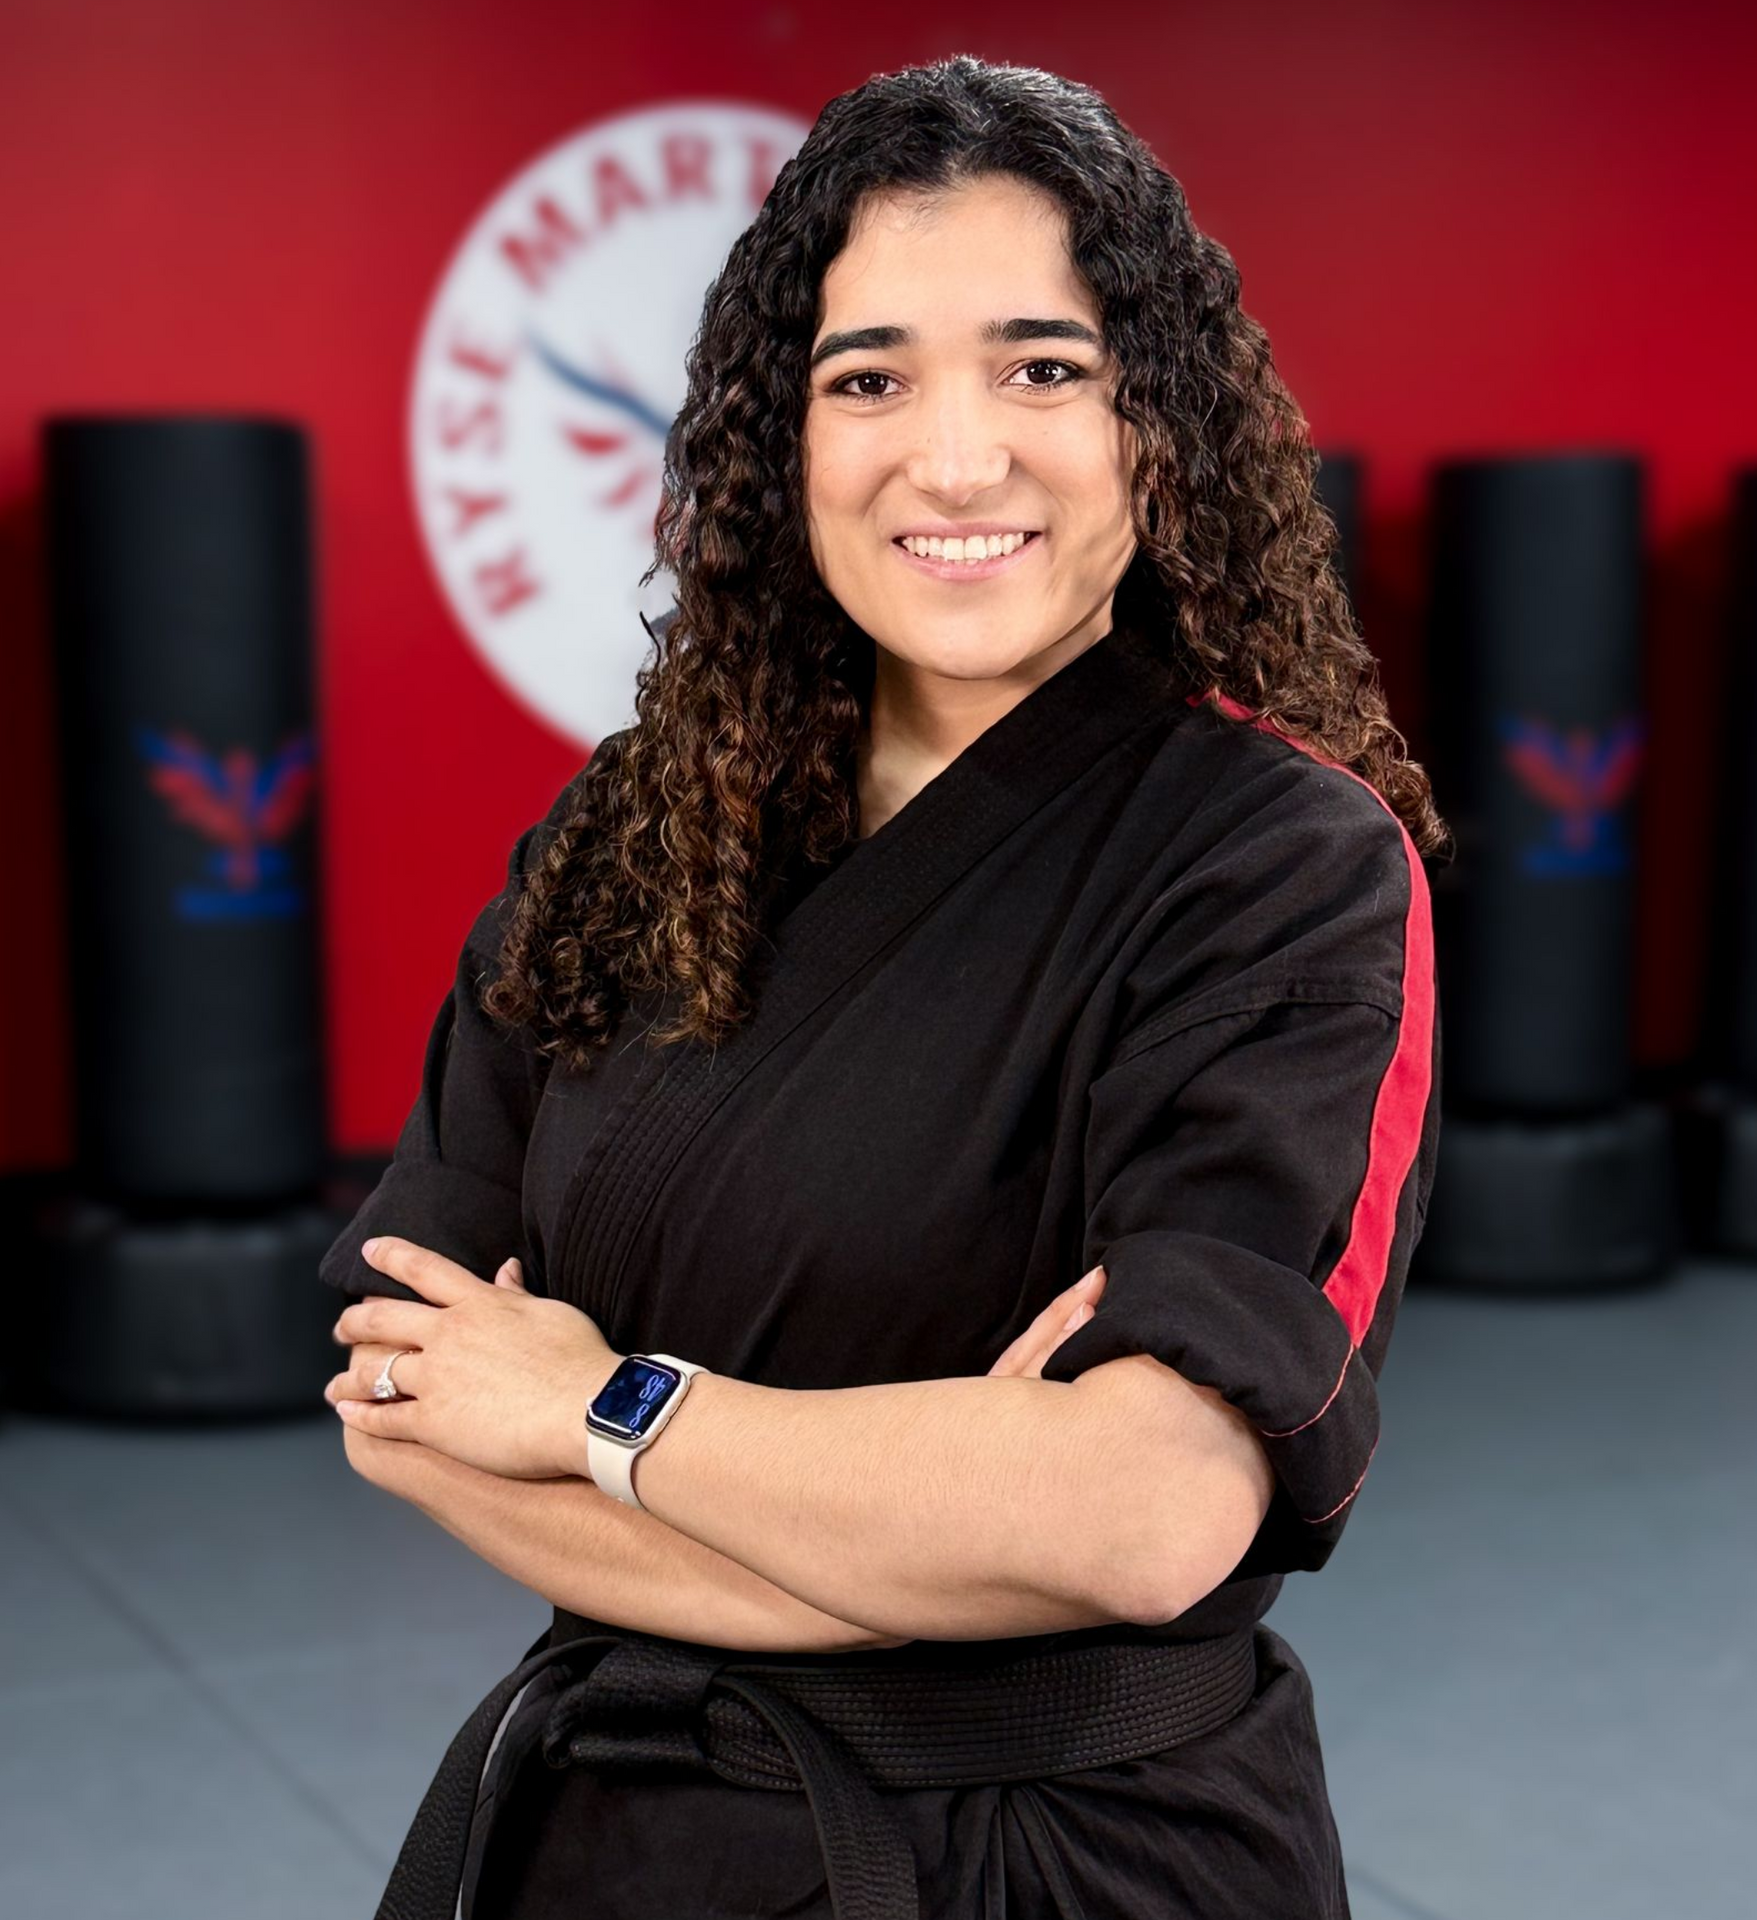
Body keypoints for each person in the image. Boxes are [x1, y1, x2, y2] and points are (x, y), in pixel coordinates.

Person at [319, 54, 1445, 1920]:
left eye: (1042, 367)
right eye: (870, 379)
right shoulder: (638, 827)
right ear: (791, 438)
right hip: (629, 1835)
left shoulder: (1281, 865)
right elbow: (405, 1384)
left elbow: (1147, 1512)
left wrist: (607, 1414)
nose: (953, 455)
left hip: (1068, 1856)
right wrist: (942, 1520)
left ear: (1157, 418)